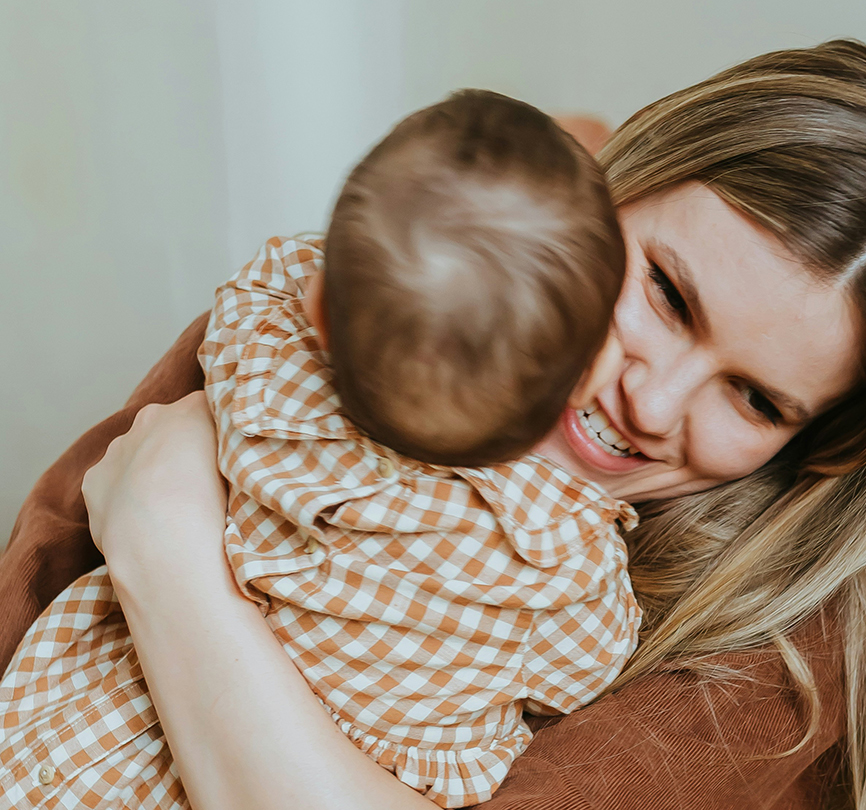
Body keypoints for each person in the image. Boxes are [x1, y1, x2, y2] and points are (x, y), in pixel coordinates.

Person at [0, 40, 866, 809]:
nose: (654, 401)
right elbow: (33, 593)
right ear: (601, 192)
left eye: (756, 399)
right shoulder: (345, 324)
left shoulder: (781, 656)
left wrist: (169, 544)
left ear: (820, 449)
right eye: (669, 296)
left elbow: (129, 502)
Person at [1, 90, 638, 808]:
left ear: (322, 312)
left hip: (68, 739)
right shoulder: (557, 560)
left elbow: (268, 286)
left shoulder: (272, 386)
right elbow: (589, 665)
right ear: (588, 373)